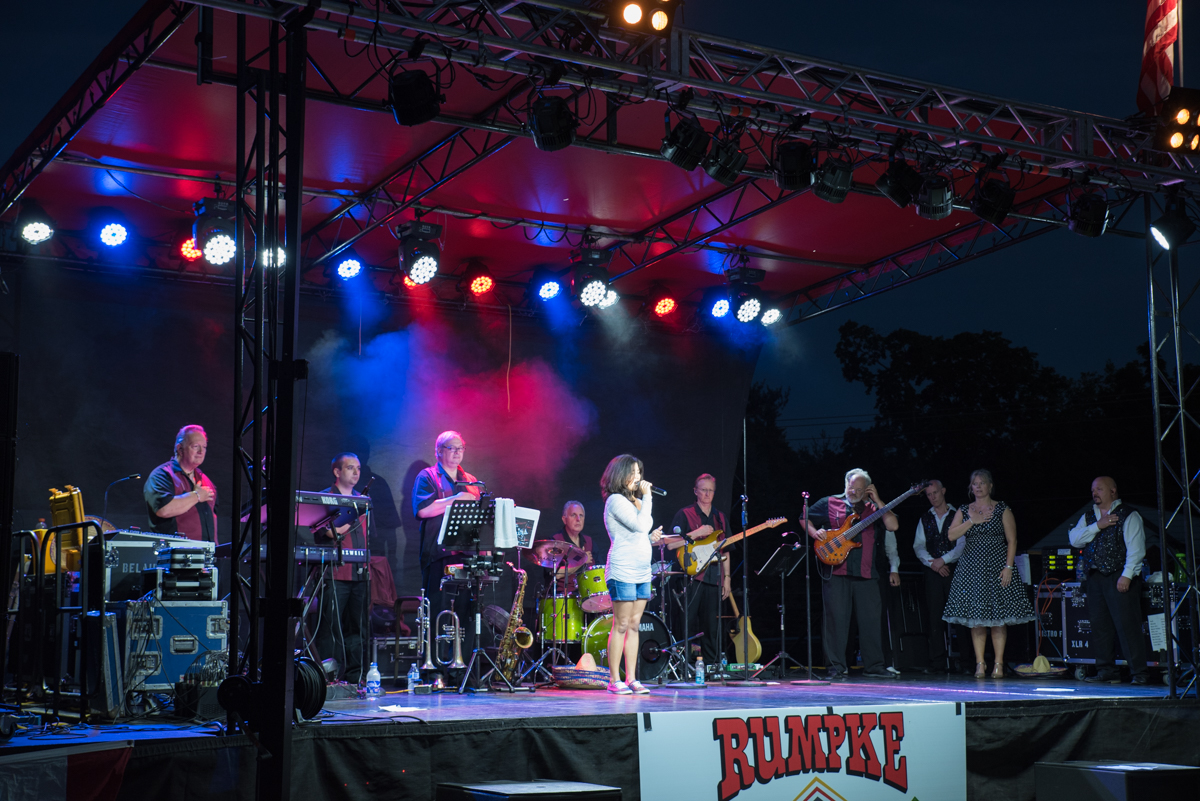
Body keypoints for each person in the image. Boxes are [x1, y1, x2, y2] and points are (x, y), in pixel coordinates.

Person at [806, 468, 900, 680]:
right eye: (851, 487)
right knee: (836, 622)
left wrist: (877, 499)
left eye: (859, 489)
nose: (854, 492)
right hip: (836, 571)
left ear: (866, 490)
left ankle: (874, 666)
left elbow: (893, 525)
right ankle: (836, 667)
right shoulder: (829, 502)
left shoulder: (874, 508)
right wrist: (815, 532)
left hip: (867, 573)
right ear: (845, 484)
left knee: (871, 622)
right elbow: (804, 518)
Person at [941, 469, 1035, 679]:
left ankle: (999, 664)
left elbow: (1012, 540)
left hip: (997, 566)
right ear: (971, 487)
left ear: (990, 486)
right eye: (975, 483)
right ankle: (980, 663)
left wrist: (1008, 567)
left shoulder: (1002, 508)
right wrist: (971, 521)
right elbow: (951, 535)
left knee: (998, 620)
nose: (979, 486)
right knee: (977, 620)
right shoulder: (965, 510)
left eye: (983, 483)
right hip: (972, 569)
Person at [1068, 477, 1149, 685]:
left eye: (1100, 489)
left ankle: (1139, 673)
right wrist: (1098, 525)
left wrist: (1127, 575)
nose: (1095, 493)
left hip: (1119, 575)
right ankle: (1106, 670)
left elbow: (1136, 548)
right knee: (1100, 626)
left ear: (1113, 491)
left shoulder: (1128, 515)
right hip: (1095, 577)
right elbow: (1075, 539)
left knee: (1127, 625)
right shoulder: (1089, 517)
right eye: (1093, 489)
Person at [412, 431, 483, 661]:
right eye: (451, 448)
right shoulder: (427, 476)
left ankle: (461, 670)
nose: (456, 452)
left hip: (468, 555)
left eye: (460, 448)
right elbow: (423, 510)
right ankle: (437, 669)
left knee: (465, 614)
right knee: (439, 614)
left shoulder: (471, 481)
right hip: (439, 555)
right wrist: (456, 499)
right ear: (439, 451)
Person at [601, 454, 663, 694]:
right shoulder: (615, 500)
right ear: (620, 474)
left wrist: (650, 539)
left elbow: (639, 533)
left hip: (641, 571)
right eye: (633, 472)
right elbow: (639, 525)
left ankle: (632, 678)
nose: (638, 477)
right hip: (622, 570)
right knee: (622, 623)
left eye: (640, 472)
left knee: (636, 625)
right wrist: (647, 497)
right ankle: (614, 679)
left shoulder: (636, 502)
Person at [312, 452, 372, 683]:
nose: (356, 472)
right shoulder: (325, 498)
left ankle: (356, 678)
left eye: (358, 468)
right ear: (337, 472)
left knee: (357, 630)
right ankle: (327, 680)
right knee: (330, 629)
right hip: (334, 574)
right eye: (350, 468)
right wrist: (355, 512)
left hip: (359, 575)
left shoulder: (362, 499)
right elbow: (329, 532)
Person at [665, 474, 732, 667]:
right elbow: (670, 545)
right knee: (687, 622)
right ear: (696, 491)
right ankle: (683, 664)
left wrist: (727, 578)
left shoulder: (720, 518)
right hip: (691, 577)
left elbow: (725, 548)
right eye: (704, 489)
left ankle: (710, 666)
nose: (707, 494)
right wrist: (695, 534)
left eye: (711, 490)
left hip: (714, 577)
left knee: (712, 625)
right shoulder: (685, 514)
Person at [912, 480, 965, 673]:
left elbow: (961, 545)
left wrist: (942, 560)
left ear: (943, 491)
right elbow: (918, 546)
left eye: (935, 493)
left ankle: (966, 661)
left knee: (959, 616)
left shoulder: (957, 514)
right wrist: (933, 564)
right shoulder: (925, 518)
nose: (933, 497)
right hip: (933, 571)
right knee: (934, 617)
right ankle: (938, 662)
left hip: (955, 570)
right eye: (929, 495)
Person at [144, 425, 217, 543]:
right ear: (180, 449)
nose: (201, 452)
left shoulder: (206, 480)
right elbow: (163, 509)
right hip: (175, 556)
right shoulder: (162, 475)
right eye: (195, 446)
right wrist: (196, 496)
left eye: (204, 447)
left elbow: (213, 518)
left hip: (205, 557)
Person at [550, 501, 593, 595]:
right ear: (564, 519)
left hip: (587, 596)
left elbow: (598, 570)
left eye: (581, 516)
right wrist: (582, 561)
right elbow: (555, 574)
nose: (578, 519)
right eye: (573, 515)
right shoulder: (555, 541)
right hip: (562, 597)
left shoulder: (589, 541)